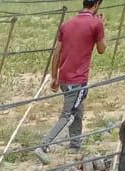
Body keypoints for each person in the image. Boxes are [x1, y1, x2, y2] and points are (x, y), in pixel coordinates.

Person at [36, 0, 107, 160]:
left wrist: (54, 76)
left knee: (78, 110)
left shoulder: (66, 24)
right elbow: (102, 49)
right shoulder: (96, 24)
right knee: (68, 115)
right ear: (96, 4)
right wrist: (103, 26)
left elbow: (56, 52)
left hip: (64, 78)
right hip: (78, 80)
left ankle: (75, 145)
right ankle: (44, 146)